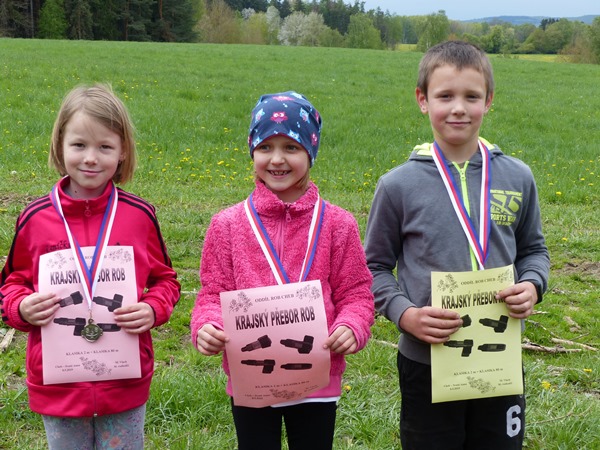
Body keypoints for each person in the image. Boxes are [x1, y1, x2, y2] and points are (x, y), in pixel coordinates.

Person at [364, 41, 550, 450]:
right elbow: (373, 268)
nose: (459, 108)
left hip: (499, 357)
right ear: (423, 100)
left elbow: (534, 250)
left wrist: (533, 284)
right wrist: (405, 314)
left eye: (472, 96)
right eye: (445, 96)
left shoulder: (518, 176)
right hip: (426, 360)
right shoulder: (397, 186)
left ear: (489, 100)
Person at [0, 84, 180, 449]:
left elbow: (166, 280)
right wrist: (20, 307)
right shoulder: (35, 218)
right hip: (59, 384)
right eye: (79, 145)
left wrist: (153, 308)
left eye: (105, 147)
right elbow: (10, 284)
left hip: (123, 381)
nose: (91, 158)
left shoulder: (139, 216)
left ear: (123, 150)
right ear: (60, 145)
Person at [190, 91, 374, 450]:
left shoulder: (338, 224)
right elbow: (212, 293)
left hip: (317, 378)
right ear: (252, 151)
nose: (277, 159)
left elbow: (356, 292)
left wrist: (352, 325)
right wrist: (207, 325)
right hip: (252, 377)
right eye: (265, 147)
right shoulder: (227, 225)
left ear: (311, 152)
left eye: (291, 147)